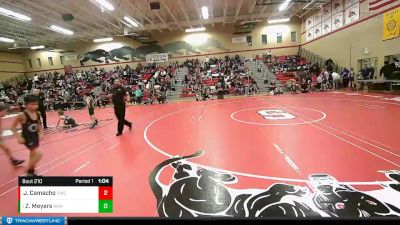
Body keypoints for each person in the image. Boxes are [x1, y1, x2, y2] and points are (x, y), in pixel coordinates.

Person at [11, 95, 43, 177]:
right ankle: (29, 171)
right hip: (27, 138)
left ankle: (31, 173)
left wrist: (41, 133)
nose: (35, 106)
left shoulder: (38, 113)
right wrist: (18, 137)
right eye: (32, 104)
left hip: (35, 137)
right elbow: (13, 127)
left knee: (32, 156)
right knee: (39, 154)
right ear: (26, 105)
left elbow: (39, 125)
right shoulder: (22, 115)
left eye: (36, 104)